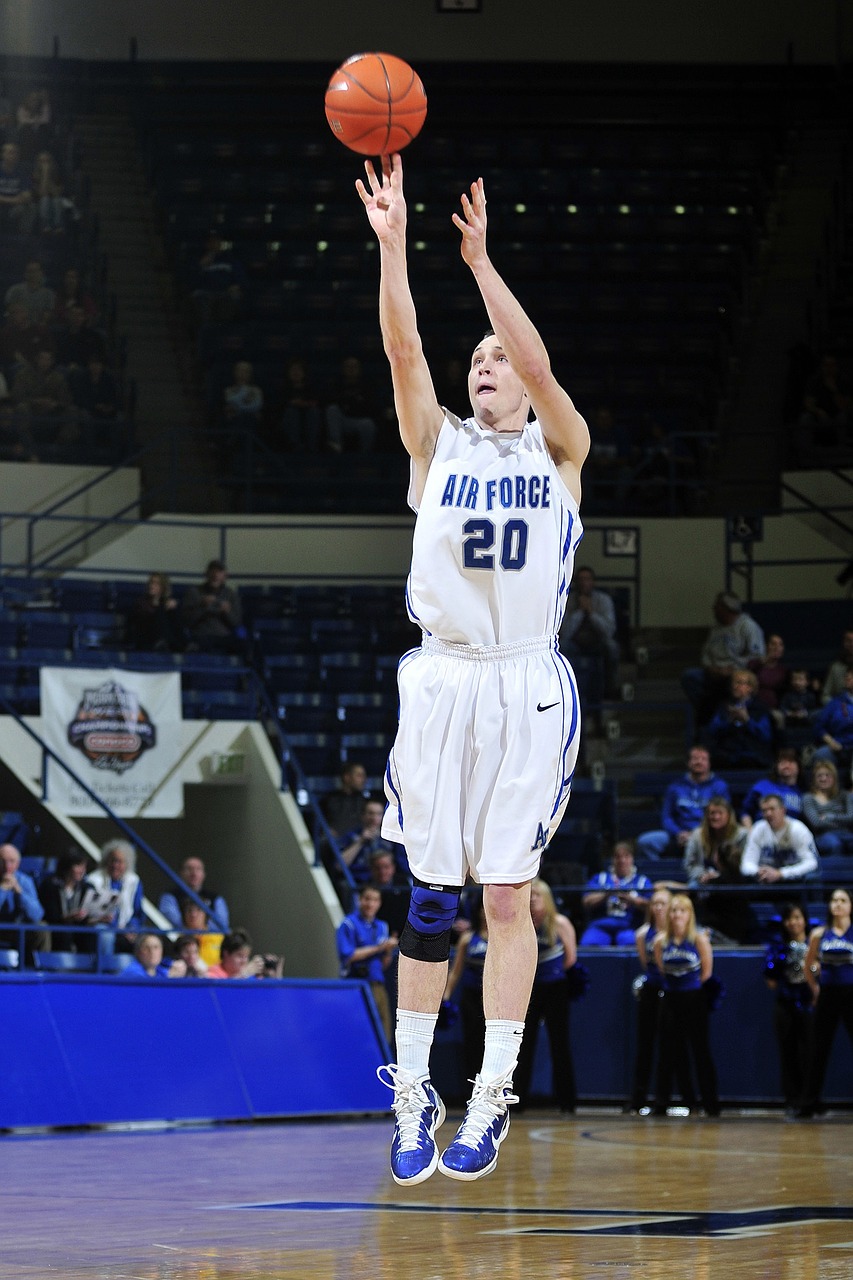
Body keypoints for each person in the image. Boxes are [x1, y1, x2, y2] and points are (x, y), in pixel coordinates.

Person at [358, 153, 589, 1185]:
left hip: (525, 681)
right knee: (429, 902)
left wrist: (484, 263)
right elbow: (402, 343)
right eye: (478, 355)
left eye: (499, 355)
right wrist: (394, 243)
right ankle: (412, 1095)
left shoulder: (561, 449)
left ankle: (489, 1094)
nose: (487, 363)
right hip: (444, 678)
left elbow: (541, 369)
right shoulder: (435, 445)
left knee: (506, 900)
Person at [627, 885, 698, 1114]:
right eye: (655, 903)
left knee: (675, 1048)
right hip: (652, 990)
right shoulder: (643, 934)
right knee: (644, 1045)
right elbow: (647, 963)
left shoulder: (678, 934)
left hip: (675, 992)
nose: (659, 908)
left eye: (663, 903)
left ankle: (681, 1099)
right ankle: (638, 1099)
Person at [513, 878, 578, 1114]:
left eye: (537, 895)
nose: (532, 898)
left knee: (559, 1044)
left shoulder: (559, 924)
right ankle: (517, 1101)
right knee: (523, 1043)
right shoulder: (520, 922)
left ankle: (567, 1102)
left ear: (547, 898)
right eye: (529, 895)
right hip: (528, 988)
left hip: (555, 987)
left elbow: (571, 958)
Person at [653, 893, 720, 1116]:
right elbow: (661, 969)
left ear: (689, 914)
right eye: (673, 910)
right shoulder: (661, 941)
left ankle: (710, 1104)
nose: (676, 915)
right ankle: (668, 1102)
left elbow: (707, 973)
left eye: (682, 910)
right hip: (671, 999)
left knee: (700, 1052)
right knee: (669, 1053)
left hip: (694, 999)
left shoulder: (699, 939)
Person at [798, 887, 853, 1117]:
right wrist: (815, 986)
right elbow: (808, 965)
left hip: (851, 994)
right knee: (818, 1050)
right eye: (833, 900)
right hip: (828, 994)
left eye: (842, 900)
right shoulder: (820, 934)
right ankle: (810, 1102)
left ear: (850, 905)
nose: (837, 904)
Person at [681, 591, 765, 725]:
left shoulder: (748, 626)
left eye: (717, 606)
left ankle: (724, 715)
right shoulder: (715, 627)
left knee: (733, 683)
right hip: (714, 671)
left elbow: (757, 656)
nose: (713, 609)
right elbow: (706, 653)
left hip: (735, 672)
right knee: (689, 676)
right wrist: (711, 668)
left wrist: (734, 669)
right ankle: (711, 714)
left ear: (726, 609)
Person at [636, 746, 731, 860]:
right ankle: (663, 872)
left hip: (707, 835)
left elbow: (723, 816)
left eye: (703, 759)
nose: (699, 762)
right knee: (645, 842)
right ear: (688, 762)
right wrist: (678, 833)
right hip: (678, 835)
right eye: (695, 758)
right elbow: (667, 817)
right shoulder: (675, 787)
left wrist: (698, 834)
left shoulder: (719, 786)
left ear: (709, 763)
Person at [763, 903, 814, 1114]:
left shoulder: (815, 943)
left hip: (810, 1003)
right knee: (788, 1052)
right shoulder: (778, 947)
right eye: (790, 918)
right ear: (785, 923)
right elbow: (771, 981)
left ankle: (810, 1099)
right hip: (785, 1003)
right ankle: (792, 1100)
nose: (794, 922)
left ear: (805, 920)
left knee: (810, 1053)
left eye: (798, 917)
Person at [683, 797, 754, 944]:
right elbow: (690, 864)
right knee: (692, 889)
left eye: (719, 813)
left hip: (732, 879)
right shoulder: (697, 835)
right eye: (711, 813)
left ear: (728, 815)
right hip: (702, 879)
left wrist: (719, 876)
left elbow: (745, 863)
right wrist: (703, 875)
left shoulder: (741, 835)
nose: (714, 817)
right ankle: (695, 929)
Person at [337, 884, 398, 1042]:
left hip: (377, 983)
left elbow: (383, 964)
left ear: (380, 903)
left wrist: (387, 951)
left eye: (375, 900)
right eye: (367, 899)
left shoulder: (382, 926)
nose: (370, 904)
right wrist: (379, 947)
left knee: (383, 1034)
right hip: (354, 983)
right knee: (354, 1032)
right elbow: (348, 955)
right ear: (359, 900)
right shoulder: (348, 924)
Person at [442, 898, 489, 1091]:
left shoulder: (505, 937)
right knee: (472, 1043)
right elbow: (456, 971)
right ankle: (471, 1090)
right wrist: (446, 996)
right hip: (471, 997)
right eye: (482, 908)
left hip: (494, 998)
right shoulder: (469, 938)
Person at [558, 564, 621, 699]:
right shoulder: (567, 600)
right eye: (580, 579)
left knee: (612, 646)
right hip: (575, 643)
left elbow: (609, 631)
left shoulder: (603, 600)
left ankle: (610, 691)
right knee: (562, 647)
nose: (584, 583)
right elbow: (565, 632)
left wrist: (591, 613)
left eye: (587, 579)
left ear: (593, 582)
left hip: (597, 642)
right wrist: (580, 612)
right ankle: (565, 692)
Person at [580, 842, 653, 946]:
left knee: (630, 944)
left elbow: (651, 905)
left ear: (632, 859)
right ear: (612, 859)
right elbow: (586, 901)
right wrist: (606, 895)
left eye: (626, 856)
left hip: (629, 926)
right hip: (601, 925)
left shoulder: (642, 881)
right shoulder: (600, 878)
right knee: (590, 944)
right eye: (618, 857)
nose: (622, 860)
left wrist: (632, 900)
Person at [702, 668, 774, 771]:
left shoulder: (760, 708)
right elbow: (712, 730)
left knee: (749, 761)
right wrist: (728, 721)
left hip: (752, 754)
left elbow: (766, 735)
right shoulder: (724, 707)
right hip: (727, 754)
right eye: (734, 683)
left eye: (740, 683)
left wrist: (747, 720)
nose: (736, 686)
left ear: (750, 688)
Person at [740, 795, 820, 887]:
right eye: (764, 810)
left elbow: (811, 863)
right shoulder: (758, 829)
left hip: (793, 883)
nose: (768, 814)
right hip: (765, 882)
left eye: (772, 809)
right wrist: (758, 871)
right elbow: (746, 864)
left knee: (812, 878)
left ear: (783, 810)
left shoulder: (798, 829)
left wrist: (781, 873)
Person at [84, 839, 145, 952]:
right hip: (100, 925)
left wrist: (132, 928)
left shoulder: (134, 881)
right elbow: (90, 912)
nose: (115, 865)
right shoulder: (93, 880)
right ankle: (106, 968)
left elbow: (137, 912)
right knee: (105, 935)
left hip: (126, 928)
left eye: (119, 862)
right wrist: (117, 927)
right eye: (112, 861)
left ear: (127, 864)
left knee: (149, 940)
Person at [182, 559, 244, 654]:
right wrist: (202, 607)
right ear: (207, 573)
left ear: (225, 576)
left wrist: (227, 612)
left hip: (224, 637)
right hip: (201, 636)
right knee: (195, 646)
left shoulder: (231, 594)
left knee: (245, 646)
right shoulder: (194, 592)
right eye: (213, 571)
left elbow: (236, 623)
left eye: (219, 572)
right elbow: (186, 621)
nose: (215, 575)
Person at [37, 847, 93, 952]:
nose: (82, 871)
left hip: (79, 931)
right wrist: (68, 917)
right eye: (78, 866)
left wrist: (99, 919)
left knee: (95, 933)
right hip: (56, 930)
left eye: (84, 866)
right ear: (67, 866)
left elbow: (87, 917)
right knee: (64, 933)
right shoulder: (50, 886)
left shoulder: (87, 888)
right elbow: (49, 916)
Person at [158, 855, 230, 930]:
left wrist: (202, 930)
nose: (194, 874)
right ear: (181, 873)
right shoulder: (169, 896)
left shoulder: (216, 898)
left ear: (204, 874)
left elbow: (222, 924)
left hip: (211, 940)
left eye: (198, 869)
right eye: (189, 869)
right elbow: (170, 921)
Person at [739, 747, 805, 829]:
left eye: (790, 762)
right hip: (763, 832)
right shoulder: (762, 786)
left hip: (791, 835)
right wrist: (750, 832)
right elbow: (745, 812)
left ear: (798, 766)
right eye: (782, 762)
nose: (786, 765)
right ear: (776, 766)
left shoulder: (803, 793)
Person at [325, 354, 378, 453]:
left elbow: (370, 407)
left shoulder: (366, 386)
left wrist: (352, 405)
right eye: (348, 366)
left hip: (360, 420)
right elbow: (334, 403)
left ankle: (365, 455)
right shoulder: (337, 385)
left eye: (354, 366)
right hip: (342, 420)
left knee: (368, 424)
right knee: (332, 410)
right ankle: (336, 445)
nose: (351, 369)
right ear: (343, 369)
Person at [340, 797, 399, 885]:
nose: (374, 818)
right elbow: (339, 865)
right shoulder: (351, 835)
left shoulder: (391, 836)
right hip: (358, 881)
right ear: (363, 815)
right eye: (370, 813)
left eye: (379, 814)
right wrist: (360, 841)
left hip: (384, 879)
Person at [801, 759, 853, 858]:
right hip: (823, 836)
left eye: (827, 775)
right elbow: (816, 823)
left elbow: (851, 817)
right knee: (834, 844)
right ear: (814, 779)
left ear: (834, 778)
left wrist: (830, 817)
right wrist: (843, 819)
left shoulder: (845, 795)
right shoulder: (808, 798)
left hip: (847, 833)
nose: (823, 779)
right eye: (819, 776)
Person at [0, 841, 45, 951]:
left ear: (18, 863)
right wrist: (2, 890)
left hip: (17, 928)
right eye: (3, 861)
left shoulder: (25, 881)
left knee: (42, 928)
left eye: (12, 861)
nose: (7, 866)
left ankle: (40, 966)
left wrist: (19, 892)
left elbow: (37, 914)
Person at [128, 572, 184, 653]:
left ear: (163, 587)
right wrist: (161, 608)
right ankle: (166, 642)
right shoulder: (141, 602)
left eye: (156, 583)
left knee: (173, 611)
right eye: (151, 582)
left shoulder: (165, 602)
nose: (152, 586)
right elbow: (141, 620)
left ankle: (181, 642)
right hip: (146, 636)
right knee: (161, 613)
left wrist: (171, 606)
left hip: (166, 637)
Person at [812, 665, 853, 774]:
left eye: (852, 677)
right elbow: (819, 727)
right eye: (847, 677)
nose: (849, 680)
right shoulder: (835, 703)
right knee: (821, 755)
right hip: (839, 746)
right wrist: (831, 742)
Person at [278, 356, 323, 452]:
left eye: (299, 370)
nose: (296, 372)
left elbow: (315, 402)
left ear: (304, 373)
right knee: (292, 412)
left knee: (314, 412)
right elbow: (280, 405)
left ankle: (312, 447)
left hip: (308, 415)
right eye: (293, 370)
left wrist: (300, 404)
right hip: (288, 419)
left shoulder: (310, 388)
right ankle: (295, 446)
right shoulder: (283, 387)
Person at [319, 762, 369, 839]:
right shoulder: (329, 800)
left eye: (364, 776)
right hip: (335, 844)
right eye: (359, 776)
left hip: (359, 843)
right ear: (347, 777)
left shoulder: (365, 802)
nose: (364, 780)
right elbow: (320, 823)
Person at [207, 929, 282, 979]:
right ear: (226, 953)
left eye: (246, 957)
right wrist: (244, 975)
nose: (244, 961)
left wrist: (275, 977)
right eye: (240, 956)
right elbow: (222, 995)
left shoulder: (251, 976)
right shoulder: (212, 974)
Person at [5, 260, 56, 327]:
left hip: (38, 329)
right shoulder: (14, 290)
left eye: (35, 271)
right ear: (25, 274)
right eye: (30, 271)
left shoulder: (49, 294)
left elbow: (48, 314)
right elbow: (10, 311)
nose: (32, 274)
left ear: (41, 273)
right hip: (17, 328)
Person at [748, 632, 789, 712]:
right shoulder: (754, 664)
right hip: (753, 706)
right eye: (773, 644)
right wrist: (763, 662)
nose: (777, 647)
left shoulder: (783, 670)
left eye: (780, 645)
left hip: (775, 709)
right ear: (766, 646)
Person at [0, 142, 34, 234]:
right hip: (7, 203)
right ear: (3, 154)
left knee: (30, 207)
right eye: (10, 152)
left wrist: (5, 199)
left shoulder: (22, 171)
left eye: (15, 153)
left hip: (16, 207)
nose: (13, 155)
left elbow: (27, 196)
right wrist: (15, 199)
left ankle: (23, 239)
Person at [119, 932, 186, 979]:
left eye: (156, 947)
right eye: (146, 948)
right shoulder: (132, 972)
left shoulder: (160, 970)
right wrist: (168, 978)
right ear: (138, 952)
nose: (152, 951)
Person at [821, 630, 853, 704]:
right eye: (849, 641)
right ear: (844, 643)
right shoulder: (835, 667)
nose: (852, 644)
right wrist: (837, 705)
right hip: (840, 708)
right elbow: (825, 695)